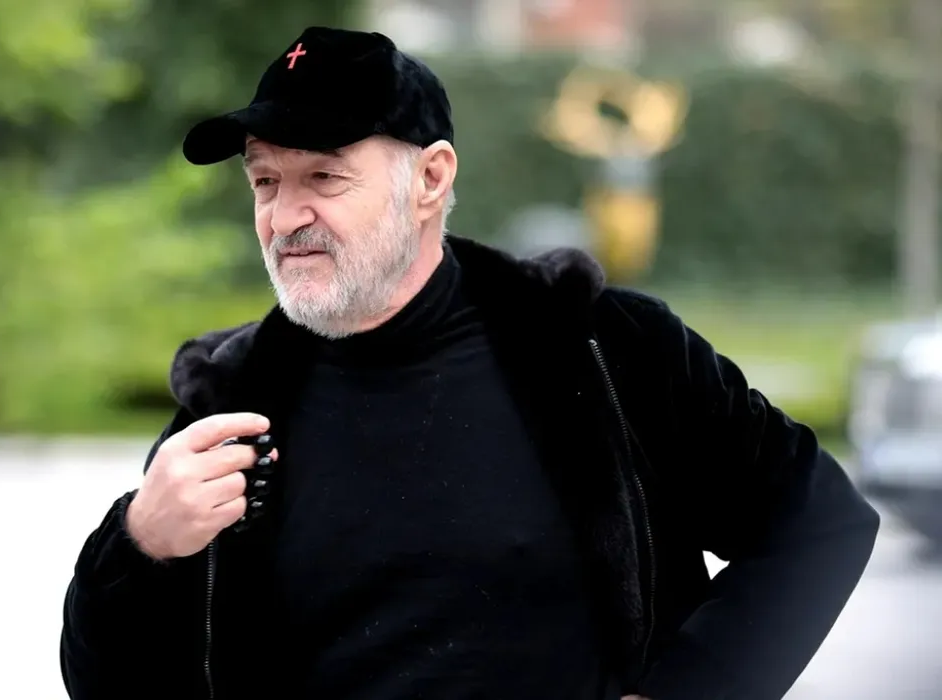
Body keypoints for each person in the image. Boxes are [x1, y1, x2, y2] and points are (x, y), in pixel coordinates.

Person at [60, 27, 879, 700]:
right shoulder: (230, 400)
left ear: (430, 178)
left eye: (323, 177)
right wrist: (139, 545)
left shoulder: (603, 350)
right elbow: (108, 685)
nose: (284, 215)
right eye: (265, 181)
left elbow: (818, 524)